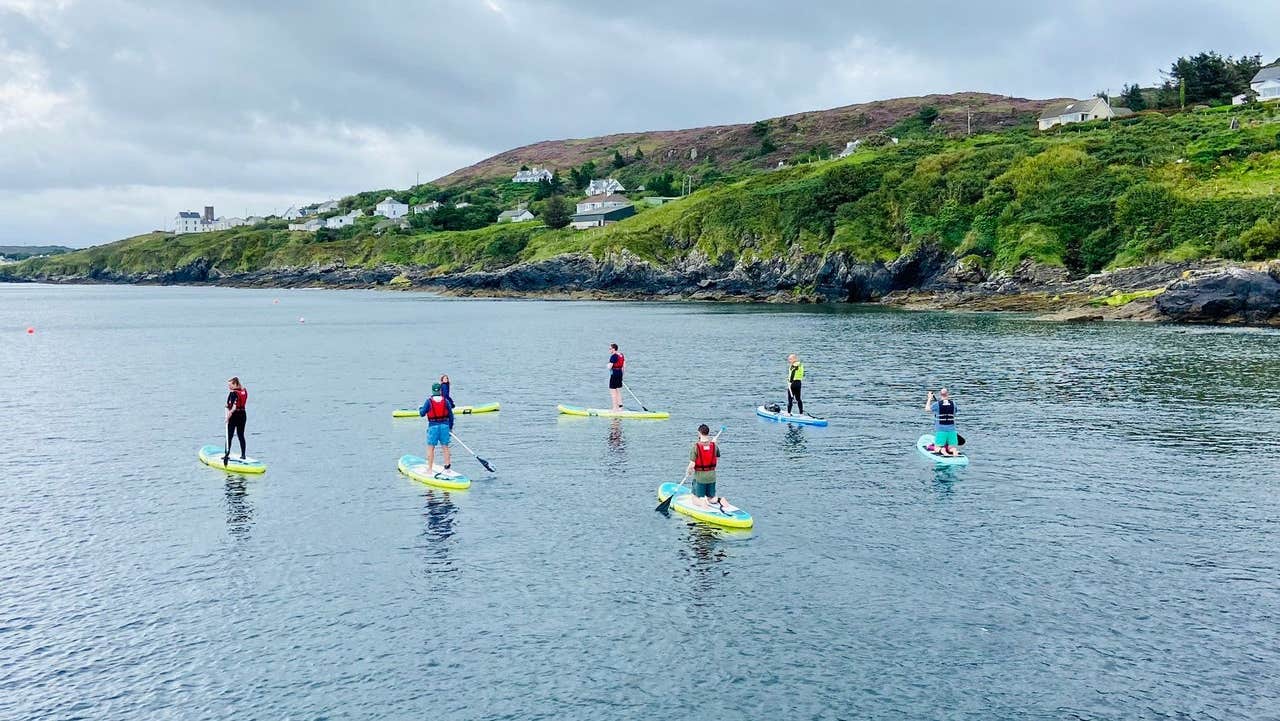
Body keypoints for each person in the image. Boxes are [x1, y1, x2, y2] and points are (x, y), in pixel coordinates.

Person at [684, 424, 735, 512]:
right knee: (711, 498)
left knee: (694, 498)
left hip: (700, 478)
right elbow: (716, 458)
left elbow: (692, 464)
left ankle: (702, 502)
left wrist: (688, 471)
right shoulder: (714, 446)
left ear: (699, 433)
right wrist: (714, 444)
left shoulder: (696, 447)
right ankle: (720, 500)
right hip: (712, 477)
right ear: (708, 433)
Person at [419, 382, 455, 474]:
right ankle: (447, 468)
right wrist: (450, 427)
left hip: (433, 427)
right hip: (444, 426)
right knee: (445, 447)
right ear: (440, 391)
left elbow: (422, 414)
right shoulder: (445, 401)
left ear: (432, 391)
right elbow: (451, 415)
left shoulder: (428, 401)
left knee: (431, 448)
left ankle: (430, 469)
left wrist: (421, 409)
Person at [924, 388, 960, 457]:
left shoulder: (937, 404)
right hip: (952, 430)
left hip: (941, 430)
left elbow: (927, 409)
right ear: (948, 394)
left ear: (940, 395)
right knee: (951, 447)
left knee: (937, 448)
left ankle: (942, 450)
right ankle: (954, 451)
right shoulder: (954, 404)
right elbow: (954, 413)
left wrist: (929, 398)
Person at [224, 376, 248, 464]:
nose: (229, 387)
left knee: (229, 435)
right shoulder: (244, 391)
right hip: (243, 415)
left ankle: (227, 454)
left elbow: (233, 408)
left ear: (235, 384)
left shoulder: (233, 393)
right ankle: (243, 455)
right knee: (240, 434)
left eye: (230, 385)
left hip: (235, 416)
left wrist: (227, 417)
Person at [607, 343, 625, 411]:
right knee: (618, 391)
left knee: (613, 392)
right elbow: (624, 366)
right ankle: (620, 408)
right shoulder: (621, 355)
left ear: (613, 349)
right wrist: (621, 376)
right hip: (620, 373)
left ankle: (615, 408)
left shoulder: (613, 356)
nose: (609, 350)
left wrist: (607, 365)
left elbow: (609, 367)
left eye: (610, 349)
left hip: (614, 374)